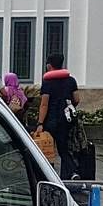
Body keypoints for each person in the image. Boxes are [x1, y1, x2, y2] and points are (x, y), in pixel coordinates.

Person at [35, 52, 81, 180]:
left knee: (48, 148)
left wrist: (40, 123)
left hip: (51, 120)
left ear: (49, 66)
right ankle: (71, 173)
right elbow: (77, 99)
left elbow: (44, 104)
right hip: (66, 120)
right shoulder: (71, 81)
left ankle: (49, 175)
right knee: (64, 148)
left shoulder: (48, 82)